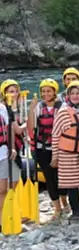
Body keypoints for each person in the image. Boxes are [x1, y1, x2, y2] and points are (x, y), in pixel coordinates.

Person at [51, 81, 79, 220]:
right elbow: (56, 135)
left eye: (78, 93)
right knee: (72, 184)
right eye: (72, 93)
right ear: (68, 95)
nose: (75, 96)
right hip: (67, 154)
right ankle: (76, 210)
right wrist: (55, 156)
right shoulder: (63, 112)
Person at [28, 78, 69, 218]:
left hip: (59, 148)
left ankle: (65, 203)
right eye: (43, 91)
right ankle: (57, 208)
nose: (46, 94)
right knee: (49, 179)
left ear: (54, 92)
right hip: (43, 148)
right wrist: (31, 109)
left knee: (61, 177)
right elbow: (31, 126)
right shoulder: (39, 107)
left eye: (49, 91)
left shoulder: (62, 106)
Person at [0, 87, 20, 223]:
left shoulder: (2, 108)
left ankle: (2, 218)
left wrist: (12, 148)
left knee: (3, 190)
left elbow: (10, 130)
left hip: (2, 152)